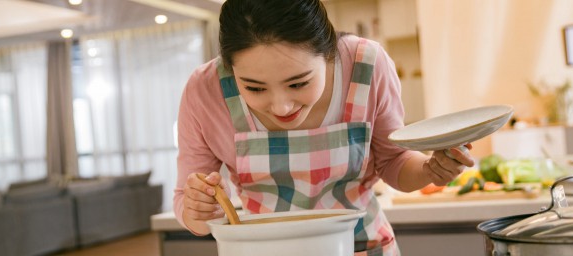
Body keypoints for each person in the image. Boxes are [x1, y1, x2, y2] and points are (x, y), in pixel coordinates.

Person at [174, 0, 474, 255]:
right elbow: (188, 204)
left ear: (330, 53)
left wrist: (431, 170)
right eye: (254, 88)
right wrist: (198, 209)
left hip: (359, 246)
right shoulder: (205, 90)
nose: (281, 107)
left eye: (299, 83)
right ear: (229, 67)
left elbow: (394, 163)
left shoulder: (365, 65)